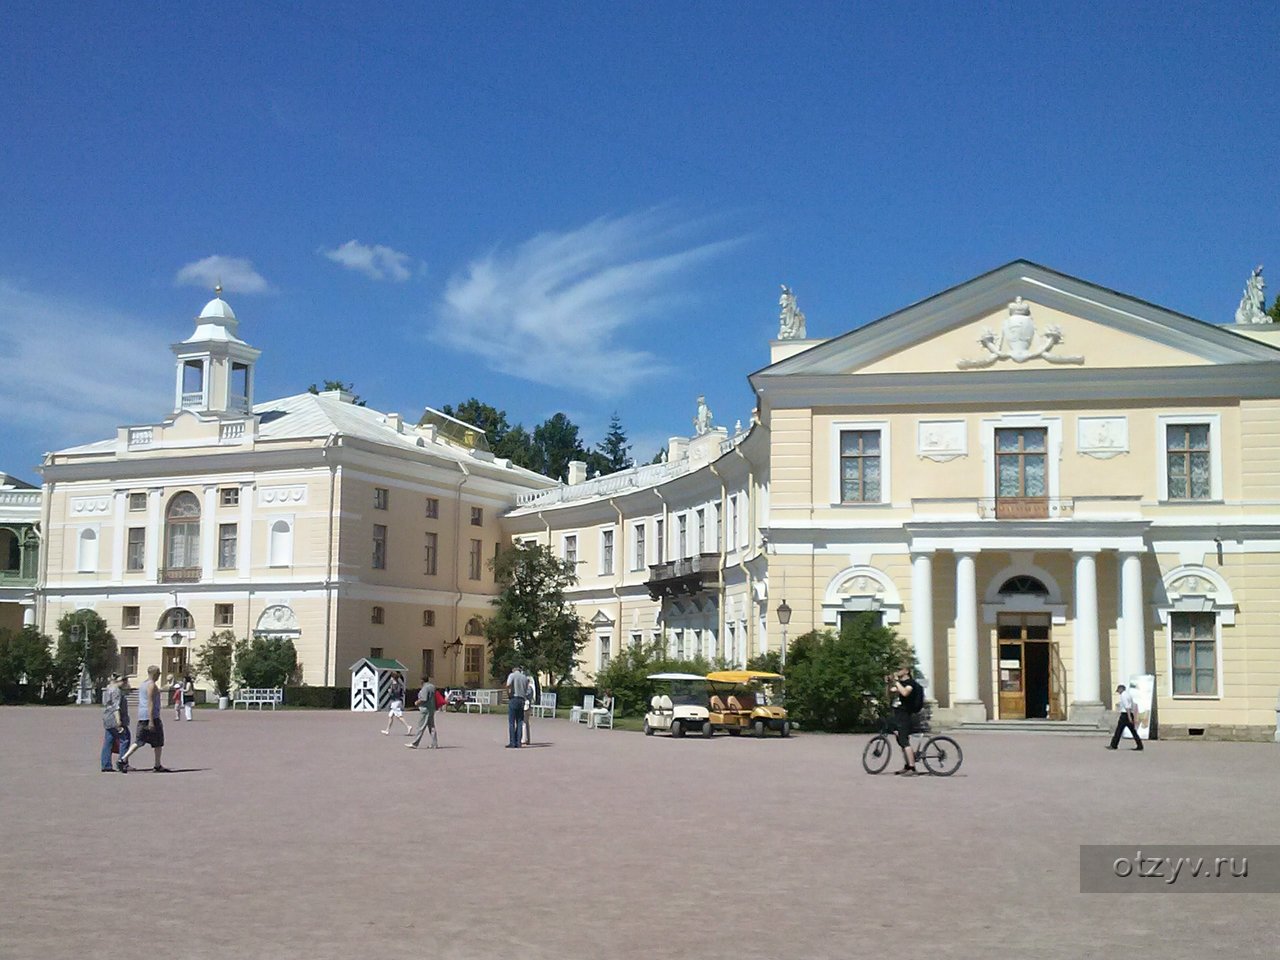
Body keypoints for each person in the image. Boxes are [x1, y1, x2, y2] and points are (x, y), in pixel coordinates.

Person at [122, 665, 169, 772]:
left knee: (139, 741)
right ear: (155, 673)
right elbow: (150, 703)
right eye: (158, 673)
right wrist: (152, 721)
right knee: (158, 742)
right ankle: (157, 765)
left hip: (142, 716)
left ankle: (124, 758)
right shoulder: (151, 685)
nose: (159, 675)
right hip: (151, 717)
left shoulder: (143, 684)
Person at [887, 666, 924, 775]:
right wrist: (889, 683)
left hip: (905, 715)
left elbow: (905, 693)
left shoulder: (910, 683)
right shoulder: (901, 684)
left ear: (906, 671)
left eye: (899, 669)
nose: (897, 671)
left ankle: (912, 768)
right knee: (900, 740)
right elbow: (890, 693)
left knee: (904, 740)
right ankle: (907, 765)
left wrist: (897, 682)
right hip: (897, 715)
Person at [101, 673, 132, 772]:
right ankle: (122, 762)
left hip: (107, 718)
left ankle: (106, 764)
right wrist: (118, 721)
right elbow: (116, 707)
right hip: (115, 718)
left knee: (108, 741)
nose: (125, 683)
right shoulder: (116, 691)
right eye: (124, 681)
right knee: (125, 739)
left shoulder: (108, 689)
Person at [405, 674, 438, 749]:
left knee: (421, 727)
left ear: (422, 680)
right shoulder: (432, 687)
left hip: (425, 709)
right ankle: (434, 743)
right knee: (432, 727)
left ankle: (415, 743)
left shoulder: (425, 688)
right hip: (431, 708)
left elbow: (424, 698)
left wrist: (417, 702)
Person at [1107, 683, 1144, 751]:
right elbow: (1132, 705)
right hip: (1129, 714)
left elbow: (1127, 707)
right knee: (1133, 731)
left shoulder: (1123, 695)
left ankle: (1114, 745)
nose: (1118, 692)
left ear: (1121, 689)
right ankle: (1140, 745)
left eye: (1118, 690)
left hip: (1125, 715)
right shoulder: (1128, 695)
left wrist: (1129, 717)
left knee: (1119, 730)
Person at [505, 664, 528, 748]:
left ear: (514, 669)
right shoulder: (524, 677)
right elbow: (526, 689)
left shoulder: (512, 675)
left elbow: (508, 685)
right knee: (519, 721)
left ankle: (512, 742)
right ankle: (518, 742)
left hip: (514, 698)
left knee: (511, 722)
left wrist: (509, 694)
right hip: (522, 699)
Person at [522, 671, 537, 745]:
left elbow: (526, 696)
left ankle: (524, 739)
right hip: (528, 705)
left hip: (526, 706)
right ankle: (527, 738)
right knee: (526, 723)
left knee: (524, 722)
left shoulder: (528, 689)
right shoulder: (530, 688)